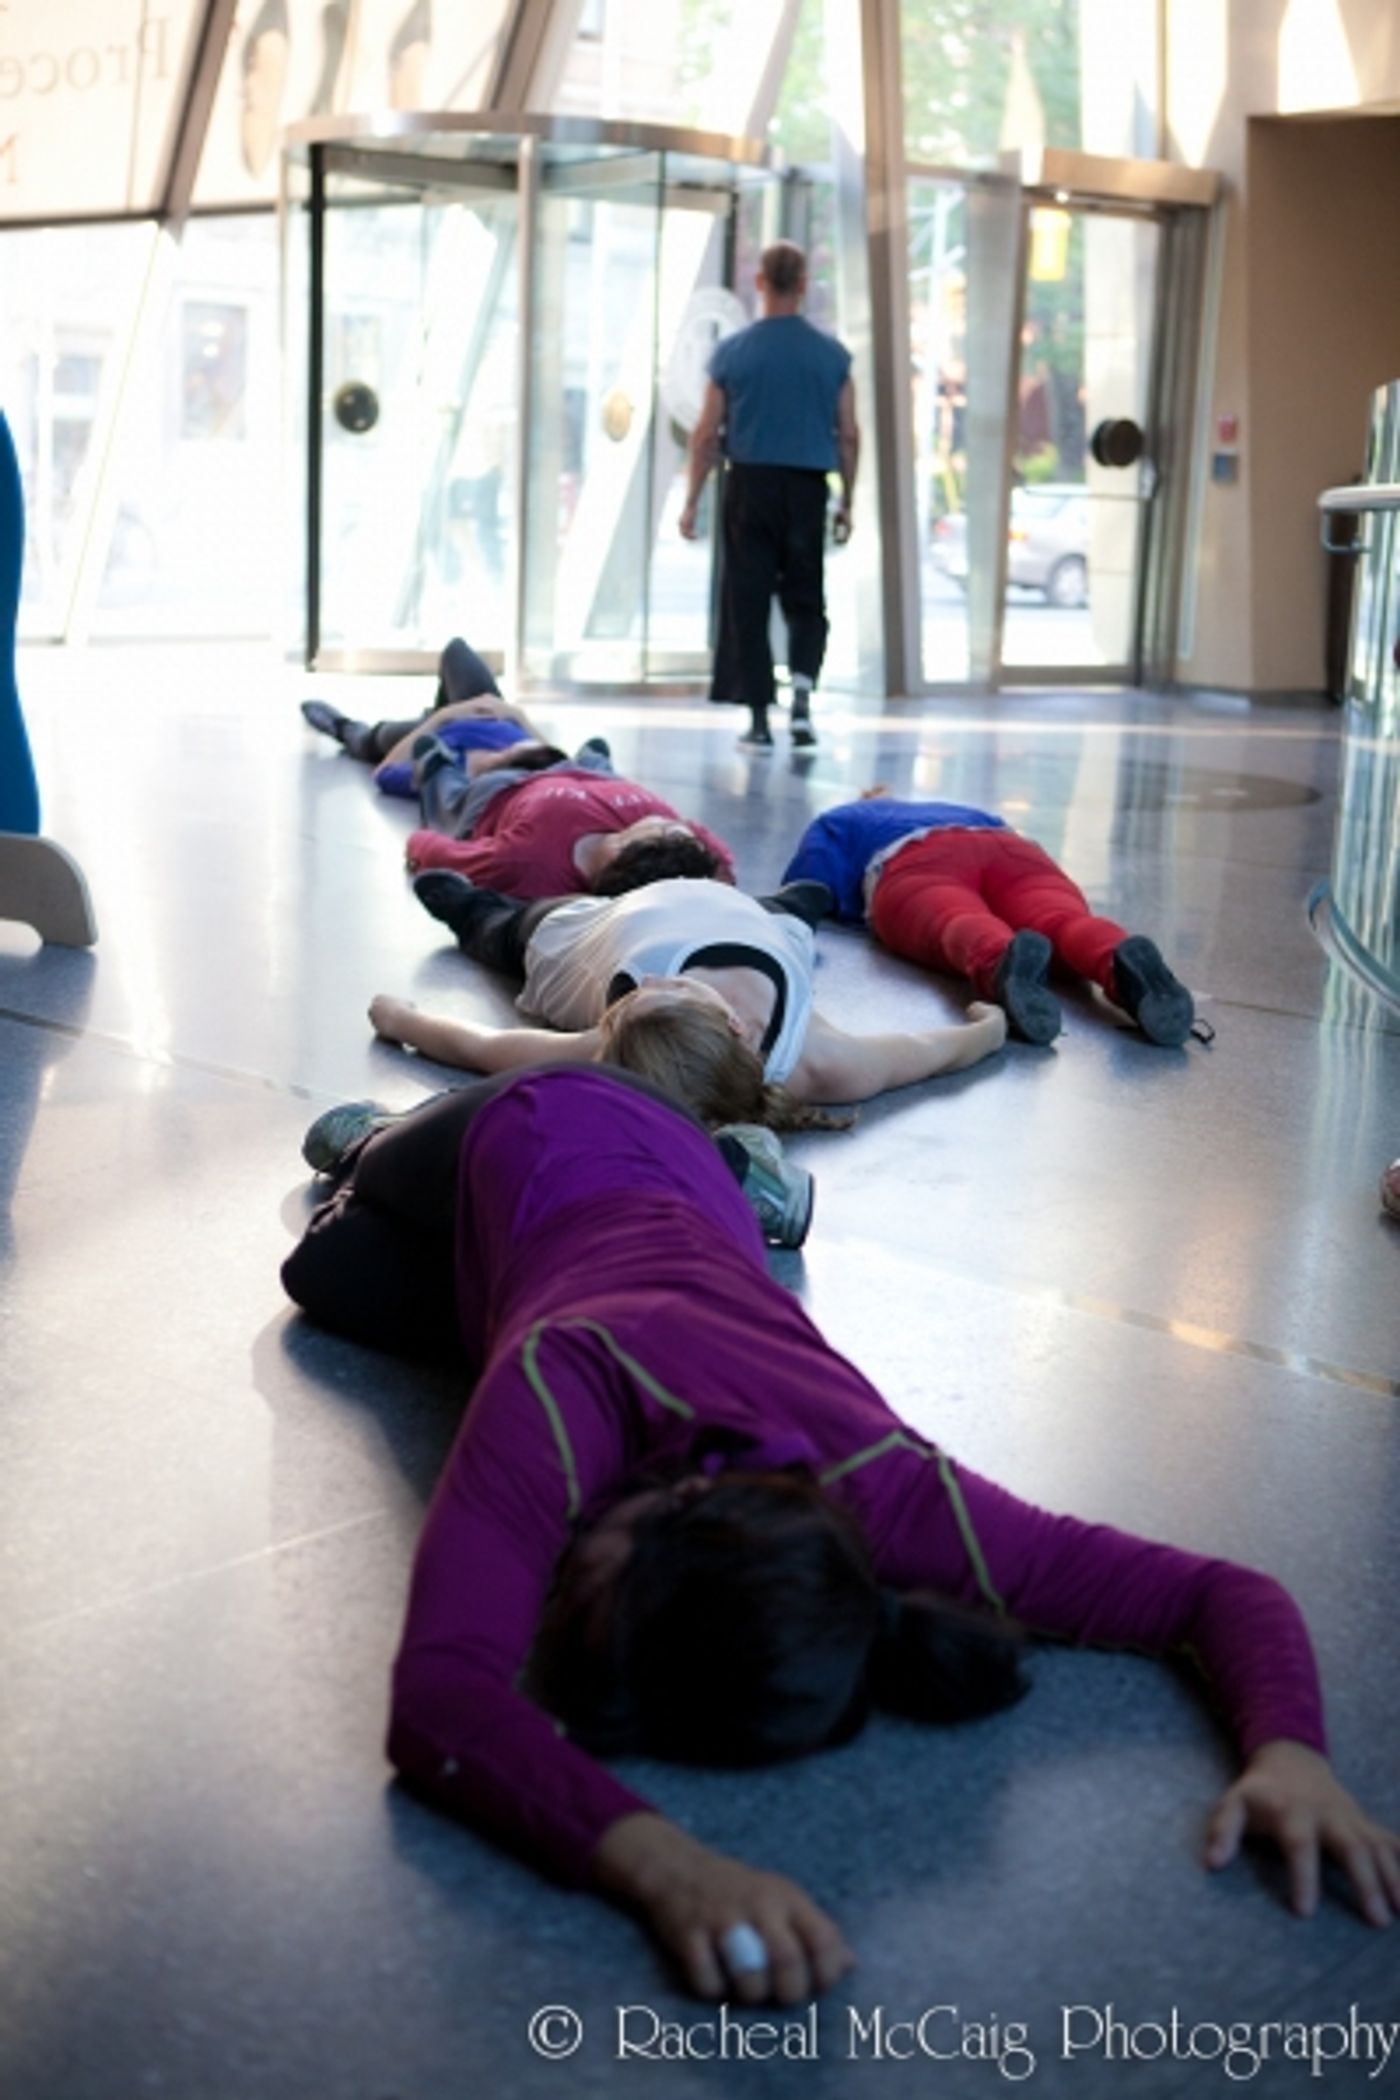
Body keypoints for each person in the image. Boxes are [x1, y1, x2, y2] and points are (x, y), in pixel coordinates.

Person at [279, 1067, 1400, 2006]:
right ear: (652, 1506)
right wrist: (669, 1871)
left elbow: (1214, 1595)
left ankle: (733, 1173)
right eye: (584, 1565)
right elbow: (440, 1700)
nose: (560, 1571)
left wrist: (1288, 1753)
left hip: (616, 1234)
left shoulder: (902, 1505)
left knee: (354, 1280)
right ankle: (389, 1131)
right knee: (323, 1250)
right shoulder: (566, 1377)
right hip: (546, 1121)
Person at [381, 871, 1008, 1122]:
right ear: (734, 1023)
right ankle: (793, 906)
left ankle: (476, 911)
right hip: (748, 919)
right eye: (669, 989)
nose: (650, 982)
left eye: (634, 1000)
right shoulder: (824, 1062)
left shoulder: (614, 1045)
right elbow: (934, 1050)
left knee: (512, 931)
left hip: (587, 930)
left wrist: (400, 1019)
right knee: (790, 925)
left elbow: (483, 1047)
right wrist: (989, 1025)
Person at [781, 789, 1200, 1049]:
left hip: (920, 858)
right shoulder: (964, 808)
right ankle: (1115, 959)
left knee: (952, 916)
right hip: (1013, 850)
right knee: (1060, 919)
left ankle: (999, 961)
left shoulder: (843, 818)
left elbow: (806, 889)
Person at [680, 241, 859, 754]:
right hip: (807, 488)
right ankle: (801, 704)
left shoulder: (733, 354)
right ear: (802, 285)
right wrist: (847, 499)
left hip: (750, 486)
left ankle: (758, 718)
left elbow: (705, 434)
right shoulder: (832, 356)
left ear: (760, 283)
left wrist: (692, 500)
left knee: (748, 597)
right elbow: (848, 435)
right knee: (806, 597)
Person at [300, 635, 573, 799]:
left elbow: (385, 772)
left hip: (439, 728)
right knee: (456, 649)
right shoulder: (541, 762)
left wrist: (443, 716)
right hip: (487, 709)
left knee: (373, 739)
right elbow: (570, 766)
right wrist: (517, 715)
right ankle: (439, 708)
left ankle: (343, 727)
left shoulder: (452, 773)